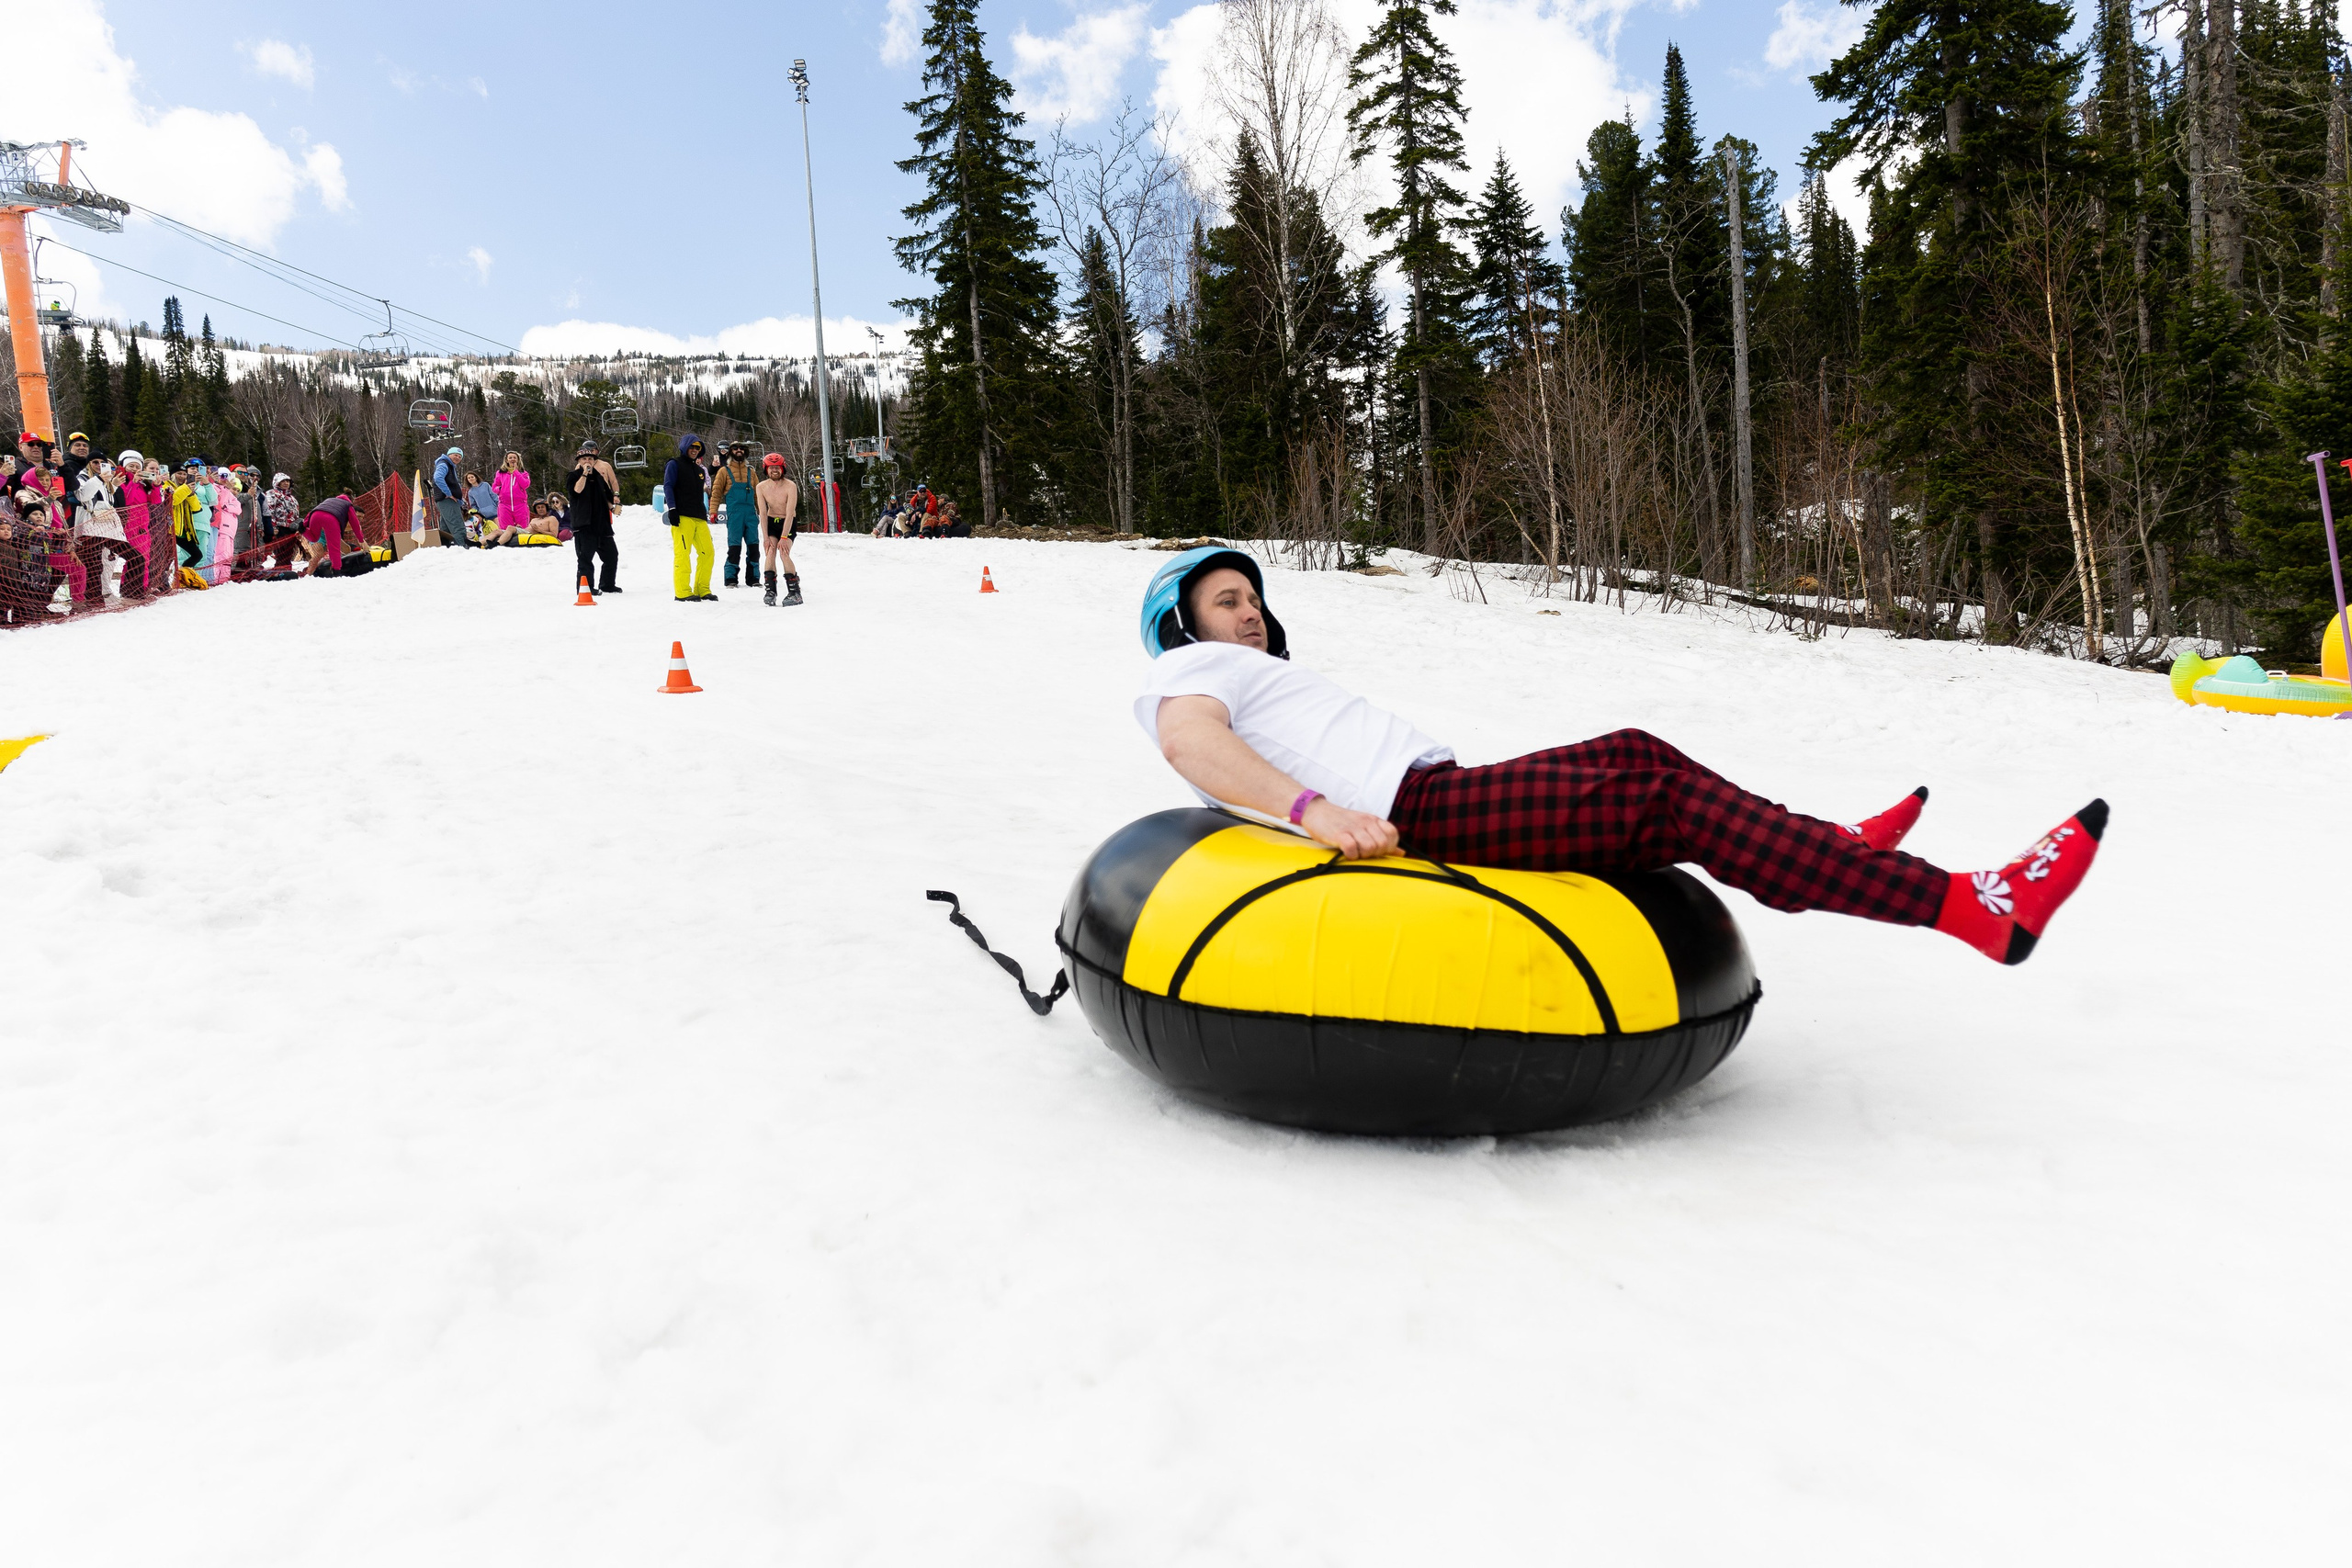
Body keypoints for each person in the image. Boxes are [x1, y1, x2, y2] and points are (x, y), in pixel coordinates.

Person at [1134, 547, 2108, 967]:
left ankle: (1818, 847)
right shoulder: (1192, 675)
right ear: (1183, 625)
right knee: (1657, 802)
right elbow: (1190, 743)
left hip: (1446, 790)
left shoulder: (1249, 668)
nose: (1249, 610)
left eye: (1251, 598)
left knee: (1635, 748)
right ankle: (1969, 906)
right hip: (1420, 817)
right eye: (1226, 600)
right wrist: (1315, 814)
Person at [662, 434, 715, 603]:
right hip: (682, 516)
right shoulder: (674, 464)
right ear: (684, 447)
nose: (694, 450)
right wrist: (672, 509)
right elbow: (668, 486)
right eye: (691, 447)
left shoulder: (700, 471)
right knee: (683, 554)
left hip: (699, 516)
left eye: (697, 447)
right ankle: (683, 591)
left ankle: (702, 589)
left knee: (708, 553)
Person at [568, 439, 623, 593]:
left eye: (590, 458)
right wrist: (585, 473)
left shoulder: (599, 476)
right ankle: (586, 588)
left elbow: (607, 494)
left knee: (611, 556)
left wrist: (613, 507)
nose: (588, 461)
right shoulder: (573, 476)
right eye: (584, 458)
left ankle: (607, 585)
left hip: (602, 523)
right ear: (579, 461)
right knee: (585, 559)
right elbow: (576, 491)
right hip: (584, 524)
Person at [712, 441, 762, 589]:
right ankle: (731, 578)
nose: (738, 450)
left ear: (745, 452)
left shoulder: (751, 472)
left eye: (741, 448)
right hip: (735, 515)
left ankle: (753, 578)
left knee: (754, 547)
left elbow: (758, 495)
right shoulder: (723, 471)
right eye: (735, 448)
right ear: (730, 452)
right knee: (734, 547)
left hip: (751, 515)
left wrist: (763, 512)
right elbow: (716, 493)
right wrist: (713, 511)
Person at [755, 451, 802, 606]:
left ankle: (795, 592)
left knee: (784, 552)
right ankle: (770, 591)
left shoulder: (790, 486)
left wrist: (783, 537)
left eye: (777, 467)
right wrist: (766, 537)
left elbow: (790, 513)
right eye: (771, 467)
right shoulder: (761, 487)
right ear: (766, 469)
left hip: (787, 523)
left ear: (783, 468)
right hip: (771, 522)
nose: (774, 470)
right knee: (770, 551)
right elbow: (762, 512)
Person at [301, 492, 356, 576]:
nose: (360, 519)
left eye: (362, 517)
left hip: (332, 533)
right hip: (320, 533)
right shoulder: (335, 507)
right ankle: (308, 574)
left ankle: (341, 569)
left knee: (347, 550)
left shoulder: (347, 512)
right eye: (359, 517)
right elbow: (314, 514)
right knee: (318, 554)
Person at [259, 472, 303, 571]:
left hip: (291, 528)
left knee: (289, 551)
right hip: (279, 527)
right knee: (280, 551)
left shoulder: (292, 498)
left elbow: (296, 514)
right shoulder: (272, 494)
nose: (286, 483)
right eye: (283, 481)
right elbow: (269, 510)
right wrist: (272, 526)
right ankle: (280, 570)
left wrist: (298, 527)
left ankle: (287, 569)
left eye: (287, 481)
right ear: (277, 483)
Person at [432, 445, 470, 547]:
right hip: (447, 500)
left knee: (446, 528)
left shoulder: (449, 466)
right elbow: (438, 478)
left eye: (459, 456)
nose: (457, 457)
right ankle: (463, 547)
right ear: (449, 454)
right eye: (455, 455)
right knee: (457, 525)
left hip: (447, 501)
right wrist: (448, 493)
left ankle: (446, 548)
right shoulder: (444, 464)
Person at [492, 452, 533, 540]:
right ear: (506, 460)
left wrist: (516, 472)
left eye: (515, 457)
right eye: (510, 458)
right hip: (504, 504)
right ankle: (505, 543)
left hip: (520, 504)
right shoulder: (500, 473)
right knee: (505, 527)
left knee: (522, 527)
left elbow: (525, 484)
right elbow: (495, 486)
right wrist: (500, 490)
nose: (512, 459)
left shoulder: (524, 473)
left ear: (518, 460)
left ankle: (522, 543)